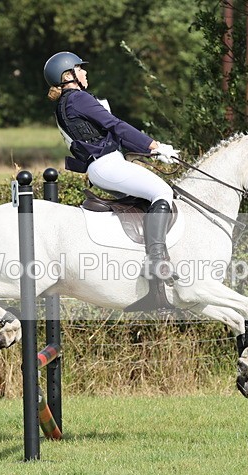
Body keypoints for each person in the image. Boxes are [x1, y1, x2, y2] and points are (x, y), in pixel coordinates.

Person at [44, 51, 180, 311]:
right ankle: (156, 260)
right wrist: (155, 145)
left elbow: (109, 133)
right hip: (108, 165)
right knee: (163, 191)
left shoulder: (64, 104)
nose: (86, 73)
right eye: (80, 69)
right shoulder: (78, 98)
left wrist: (151, 150)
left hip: (105, 165)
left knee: (146, 200)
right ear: (68, 75)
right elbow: (116, 124)